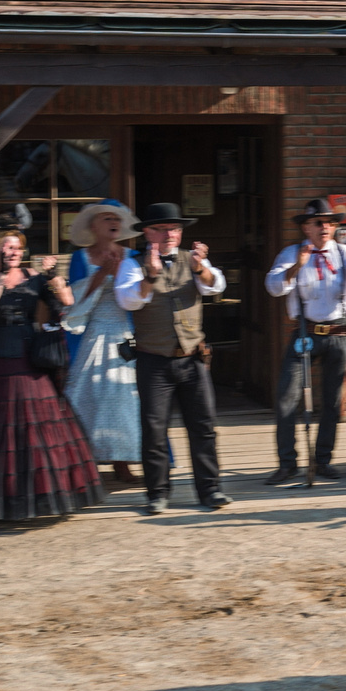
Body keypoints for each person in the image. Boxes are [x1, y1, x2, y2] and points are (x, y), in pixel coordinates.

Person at [0, 220, 104, 521]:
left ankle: (41, 496)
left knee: (37, 423)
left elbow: (67, 301)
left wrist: (54, 277)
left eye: (17, 247)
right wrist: (0, 277)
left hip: (29, 358)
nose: (14, 252)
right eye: (7, 247)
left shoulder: (34, 277)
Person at [115, 203, 230, 514]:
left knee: (203, 426)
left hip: (192, 358)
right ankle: (158, 493)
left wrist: (200, 268)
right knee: (154, 429)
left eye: (174, 229)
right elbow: (127, 299)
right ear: (147, 233)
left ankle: (210, 491)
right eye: (161, 229)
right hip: (154, 360)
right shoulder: (132, 264)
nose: (168, 234)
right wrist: (150, 276)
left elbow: (216, 285)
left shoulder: (192, 260)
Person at [263, 198, 346, 484]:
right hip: (306, 333)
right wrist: (296, 267)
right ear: (306, 227)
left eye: (330, 222)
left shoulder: (345, 253)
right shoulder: (291, 253)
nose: (325, 227)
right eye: (318, 222)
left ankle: (323, 460)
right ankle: (288, 464)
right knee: (287, 397)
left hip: (339, 335)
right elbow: (273, 287)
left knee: (332, 400)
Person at [63, 201, 143, 483]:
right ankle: (85, 462)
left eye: (116, 219)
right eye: (106, 218)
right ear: (93, 226)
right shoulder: (81, 258)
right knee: (89, 396)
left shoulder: (134, 255)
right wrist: (102, 273)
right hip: (92, 334)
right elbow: (71, 301)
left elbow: (142, 297)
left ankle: (123, 461)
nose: (113, 223)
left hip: (125, 334)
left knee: (125, 398)